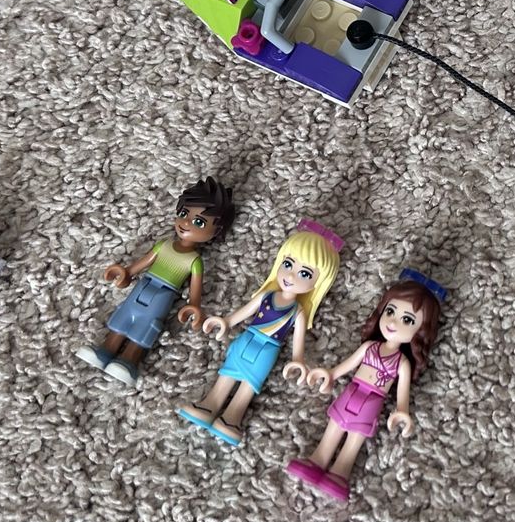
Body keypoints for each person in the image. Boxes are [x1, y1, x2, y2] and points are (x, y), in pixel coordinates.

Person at [177, 220, 343, 446]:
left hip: (268, 350)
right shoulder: (266, 296)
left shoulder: (297, 312)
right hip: (247, 339)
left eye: (304, 274)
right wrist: (225, 322)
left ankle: (232, 417)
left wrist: (297, 360)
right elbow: (243, 313)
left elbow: (298, 343)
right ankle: (209, 404)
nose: (290, 276)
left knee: (249, 385)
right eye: (288, 264)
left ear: (318, 283)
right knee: (227, 373)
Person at [285, 272, 444, 502]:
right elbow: (348, 365)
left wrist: (401, 411)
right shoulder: (369, 347)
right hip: (352, 391)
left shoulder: (402, 363)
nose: (393, 322)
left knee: (355, 437)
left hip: (373, 402)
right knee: (334, 426)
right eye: (390, 311)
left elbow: (402, 394)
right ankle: (317, 459)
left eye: (408, 320)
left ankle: (340, 473)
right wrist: (330, 374)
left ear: (420, 331)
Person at [75, 177, 234, 387]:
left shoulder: (194, 261)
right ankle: (106, 350)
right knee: (124, 315)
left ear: (216, 231)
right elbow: (142, 264)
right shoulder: (163, 245)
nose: (186, 223)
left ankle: (129, 361)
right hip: (143, 285)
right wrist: (125, 273)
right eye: (184, 214)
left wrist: (193, 306)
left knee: (147, 325)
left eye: (199, 222)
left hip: (164, 295)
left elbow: (195, 291)